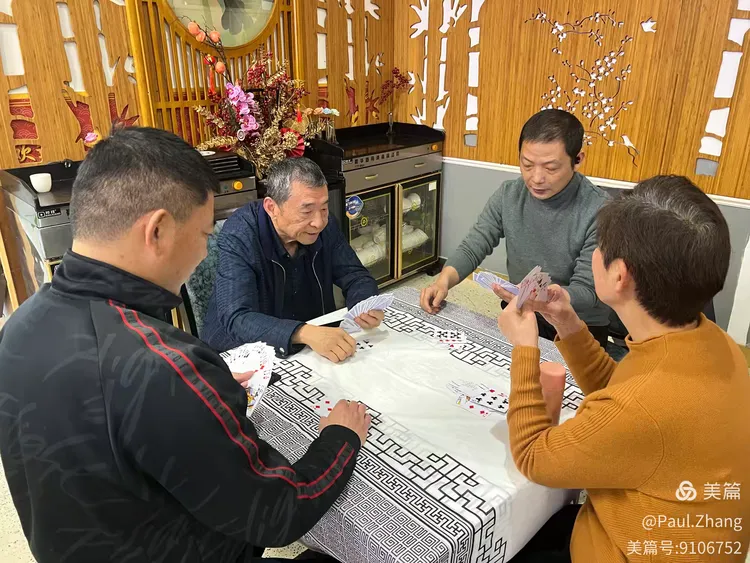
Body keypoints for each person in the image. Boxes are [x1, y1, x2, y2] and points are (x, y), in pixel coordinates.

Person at [0, 127, 371, 563]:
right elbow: (280, 510)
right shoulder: (162, 367)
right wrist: (341, 437)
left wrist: (199, 394)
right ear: (157, 230)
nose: (202, 254)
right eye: (204, 235)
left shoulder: (20, 326)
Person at [497, 175, 750, 562]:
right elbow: (621, 394)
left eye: (599, 247)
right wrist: (567, 322)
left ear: (619, 275)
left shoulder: (643, 404)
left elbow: (534, 457)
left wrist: (525, 347)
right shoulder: (711, 340)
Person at [420, 109, 611, 347]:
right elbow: (474, 245)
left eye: (551, 168)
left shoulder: (600, 210)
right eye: (527, 164)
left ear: (578, 160)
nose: (536, 178)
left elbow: (587, 290)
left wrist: (546, 297)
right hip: (522, 308)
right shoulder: (509, 194)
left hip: (577, 323)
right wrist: (442, 282)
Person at [202, 157, 381, 363]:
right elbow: (237, 317)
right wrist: (302, 332)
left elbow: (355, 275)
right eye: (306, 211)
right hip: (246, 353)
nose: (319, 222)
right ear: (272, 207)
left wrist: (365, 302)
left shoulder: (325, 226)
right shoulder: (240, 233)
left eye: (324, 208)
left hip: (311, 343)